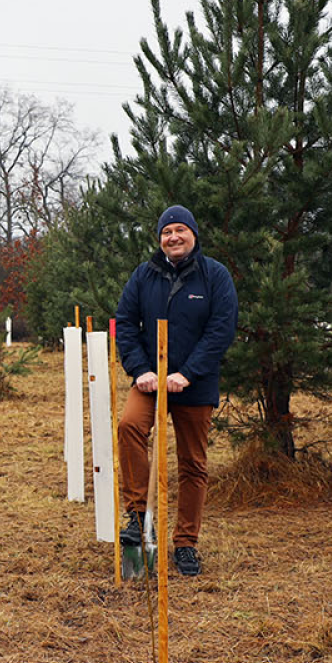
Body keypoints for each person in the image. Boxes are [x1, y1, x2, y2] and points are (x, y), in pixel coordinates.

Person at [113, 204, 239, 577]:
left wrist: (188, 373)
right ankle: (138, 518)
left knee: (193, 464)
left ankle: (186, 544)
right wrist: (140, 371)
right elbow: (126, 322)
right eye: (166, 232)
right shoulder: (143, 275)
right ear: (160, 240)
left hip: (194, 383)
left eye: (180, 230)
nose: (173, 237)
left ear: (194, 235)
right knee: (129, 426)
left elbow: (222, 328)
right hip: (150, 382)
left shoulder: (214, 276)